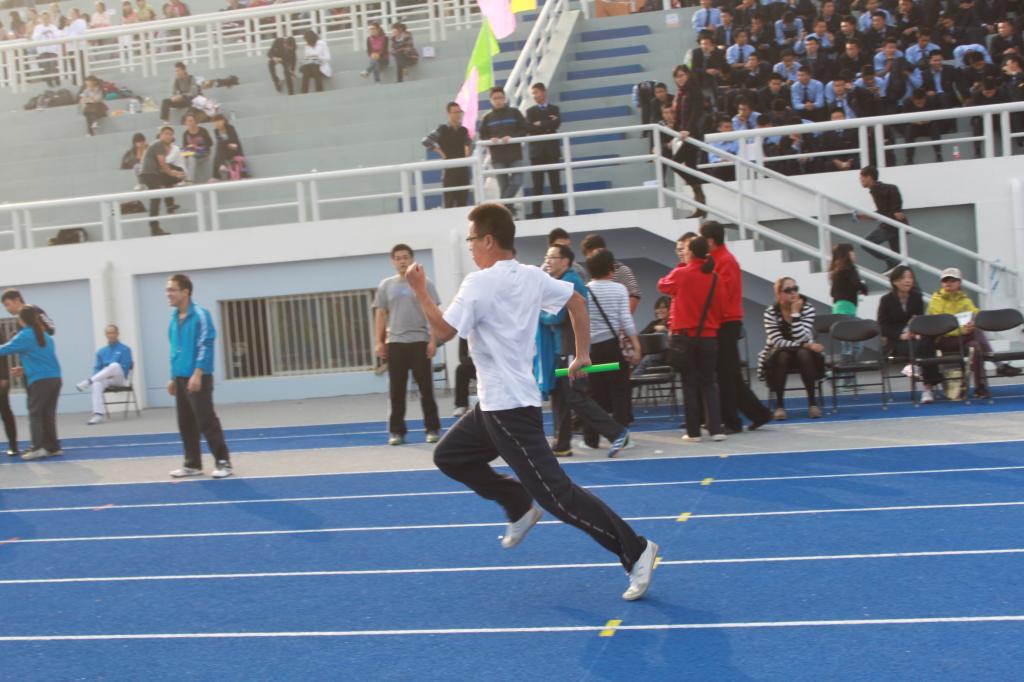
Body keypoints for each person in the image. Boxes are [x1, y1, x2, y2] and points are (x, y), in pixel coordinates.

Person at [404, 202, 659, 601]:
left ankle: (636, 549)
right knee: (450, 457)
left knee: (558, 497)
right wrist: (582, 353)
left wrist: (421, 291)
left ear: (489, 240)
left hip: (509, 409)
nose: (469, 246)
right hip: (493, 406)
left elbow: (445, 331)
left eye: (471, 239)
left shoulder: (479, 283)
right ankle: (518, 505)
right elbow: (577, 300)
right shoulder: (532, 275)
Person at [539, 244, 632, 458]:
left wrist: (538, 313)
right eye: (546, 257)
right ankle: (562, 444)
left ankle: (617, 432)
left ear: (565, 261)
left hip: (572, 349)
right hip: (563, 349)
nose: (547, 262)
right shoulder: (564, 281)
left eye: (552, 257)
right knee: (561, 396)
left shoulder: (570, 282)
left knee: (574, 396)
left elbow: (556, 316)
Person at [700, 221, 774, 432]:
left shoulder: (725, 261)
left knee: (726, 375)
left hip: (725, 322)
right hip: (723, 321)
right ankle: (758, 414)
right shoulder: (719, 259)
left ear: (710, 241)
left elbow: (722, 294)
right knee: (730, 374)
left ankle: (733, 421)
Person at [658, 236, 727, 442]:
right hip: (709, 336)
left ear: (690, 252)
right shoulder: (715, 277)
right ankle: (716, 428)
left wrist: (681, 267)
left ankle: (693, 431)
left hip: (685, 337)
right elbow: (722, 308)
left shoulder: (682, 273)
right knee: (709, 383)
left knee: (689, 384)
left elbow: (662, 285)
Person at [374, 244, 442, 445]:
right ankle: (397, 432)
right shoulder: (386, 285)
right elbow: (380, 314)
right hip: (396, 343)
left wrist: (433, 341)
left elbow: (433, 314)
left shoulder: (425, 283)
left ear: (412, 259)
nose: (402, 261)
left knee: (426, 390)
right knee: (396, 391)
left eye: (405, 257)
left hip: (420, 342)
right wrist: (378, 342)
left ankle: (432, 429)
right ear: (393, 261)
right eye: (398, 258)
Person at [165, 273, 232, 478]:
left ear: (185, 292)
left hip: (198, 377)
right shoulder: (173, 319)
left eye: (172, 290)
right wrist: (173, 377)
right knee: (185, 422)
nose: (168, 294)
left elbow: (206, 344)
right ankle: (192, 464)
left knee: (206, 420)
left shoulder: (201, 315)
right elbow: (174, 350)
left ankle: (223, 462)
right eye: (167, 290)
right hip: (180, 377)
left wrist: (198, 373)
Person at [925, 268, 1019, 400]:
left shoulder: (965, 300)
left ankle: (980, 387)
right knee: (976, 332)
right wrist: (963, 330)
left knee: (975, 346)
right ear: (942, 283)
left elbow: (977, 315)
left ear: (959, 283)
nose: (948, 283)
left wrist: (973, 323)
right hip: (944, 340)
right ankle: (999, 365)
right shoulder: (936, 301)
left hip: (963, 338)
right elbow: (940, 327)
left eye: (952, 280)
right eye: (945, 280)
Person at [581, 249, 640, 450]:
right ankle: (622, 437)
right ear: (610, 269)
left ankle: (590, 439)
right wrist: (636, 345)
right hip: (613, 347)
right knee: (620, 392)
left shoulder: (585, 290)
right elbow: (625, 319)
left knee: (593, 394)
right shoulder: (619, 289)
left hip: (592, 349)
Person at [757, 277, 825, 419]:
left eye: (795, 289)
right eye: (788, 290)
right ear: (778, 294)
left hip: (804, 354)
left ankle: (813, 404)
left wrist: (795, 313)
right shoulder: (770, 312)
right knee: (783, 355)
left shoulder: (807, 308)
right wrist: (806, 345)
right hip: (779, 353)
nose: (793, 293)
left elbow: (801, 337)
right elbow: (778, 342)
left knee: (803, 354)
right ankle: (780, 406)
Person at [0, 306, 61, 461]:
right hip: (55, 378)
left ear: (21, 320)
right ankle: (53, 447)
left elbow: (4, 349)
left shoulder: (24, 335)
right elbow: (41, 358)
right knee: (48, 414)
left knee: (35, 413)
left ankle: (37, 447)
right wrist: (24, 368)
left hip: (40, 381)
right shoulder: (44, 335)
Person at [876, 265, 941, 401]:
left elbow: (920, 320)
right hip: (896, 341)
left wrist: (915, 330)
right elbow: (882, 326)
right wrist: (901, 335)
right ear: (895, 281)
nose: (908, 281)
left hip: (915, 337)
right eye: (904, 278)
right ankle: (927, 387)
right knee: (926, 347)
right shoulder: (886, 300)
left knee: (926, 343)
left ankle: (916, 369)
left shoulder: (917, 297)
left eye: (910, 277)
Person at [479, 87, 527, 216]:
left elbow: (524, 129)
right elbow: (482, 136)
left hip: (515, 154)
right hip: (497, 157)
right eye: (495, 98)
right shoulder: (487, 118)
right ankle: (508, 212)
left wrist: (512, 137)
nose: (498, 101)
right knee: (504, 186)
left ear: (505, 98)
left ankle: (500, 207)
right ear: (490, 100)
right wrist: (490, 140)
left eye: (500, 97)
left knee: (517, 181)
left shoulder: (514, 113)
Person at [669, 65, 708, 218]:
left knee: (675, 163)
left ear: (688, 75)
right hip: (685, 135)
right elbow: (678, 118)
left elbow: (696, 112)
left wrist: (689, 130)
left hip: (693, 134)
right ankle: (700, 205)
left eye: (682, 75)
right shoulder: (680, 93)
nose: (679, 79)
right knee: (690, 167)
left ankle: (699, 194)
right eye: (677, 76)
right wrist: (672, 135)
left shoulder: (694, 90)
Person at [76, 324, 133, 425]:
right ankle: (98, 414)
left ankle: (87, 382)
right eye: (108, 333)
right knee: (96, 384)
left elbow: (125, 368)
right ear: (106, 335)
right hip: (106, 379)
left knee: (114, 365)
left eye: (112, 333)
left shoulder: (125, 349)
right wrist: (104, 374)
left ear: (117, 333)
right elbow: (97, 369)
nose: (111, 335)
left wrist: (108, 371)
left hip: (119, 379)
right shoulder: (101, 352)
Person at [829, 243, 868, 385]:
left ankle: (846, 379)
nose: (854, 254)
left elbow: (832, 292)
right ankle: (838, 375)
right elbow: (858, 284)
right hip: (847, 310)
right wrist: (864, 288)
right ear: (846, 254)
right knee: (854, 346)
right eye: (852, 251)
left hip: (838, 309)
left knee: (849, 346)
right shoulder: (850, 269)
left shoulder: (836, 272)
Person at [525, 82, 565, 219]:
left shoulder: (554, 109)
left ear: (544, 92)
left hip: (552, 151)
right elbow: (529, 128)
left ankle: (559, 213)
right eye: (533, 93)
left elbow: (556, 124)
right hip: (537, 153)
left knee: (555, 184)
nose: (534, 96)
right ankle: (536, 214)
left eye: (536, 92)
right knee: (537, 185)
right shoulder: (530, 111)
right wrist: (547, 125)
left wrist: (540, 124)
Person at [422, 102, 472, 208]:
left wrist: (467, 150)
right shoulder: (442, 129)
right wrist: (440, 152)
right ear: (449, 114)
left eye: (459, 112)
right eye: (455, 112)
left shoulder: (464, 130)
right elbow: (426, 141)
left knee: (463, 201)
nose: (458, 115)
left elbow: (468, 143)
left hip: (463, 169)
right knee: (449, 201)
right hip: (449, 170)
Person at [855, 165, 906, 271]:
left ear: (869, 177)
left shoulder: (876, 190)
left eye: (862, 177)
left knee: (867, 244)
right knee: (899, 259)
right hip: (895, 225)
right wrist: (897, 210)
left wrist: (862, 216)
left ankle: (893, 262)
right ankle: (896, 265)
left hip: (890, 226)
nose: (860, 180)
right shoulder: (879, 189)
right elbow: (884, 211)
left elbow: (882, 213)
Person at [139, 126, 185, 236]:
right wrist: (172, 173)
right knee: (155, 200)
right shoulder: (159, 145)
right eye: (166, 133)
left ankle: (156, 225)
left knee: (156, 198)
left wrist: (173, 172)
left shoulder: (158, 146)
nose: (168, 136)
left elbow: (160, 166)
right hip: (150, 174)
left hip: (151, 174)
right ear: (160, 135)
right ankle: (154, 228)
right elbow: (162, 163)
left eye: (170, 134)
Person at [580, 234, 642, 313]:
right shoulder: (590, 272)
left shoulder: (621, 269)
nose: (592, 260)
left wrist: (622, 316)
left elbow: (634, 295)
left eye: (593, 255)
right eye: (589, 257)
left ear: (603, 250)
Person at [211, 113, 246, 180]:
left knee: (219, 145)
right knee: (218, 150)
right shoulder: (216, 131)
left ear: (223, 121)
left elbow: (233, 139)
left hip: (235, 150)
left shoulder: (230, 128)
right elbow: (221, 141)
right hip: (225, 151)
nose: (217, 123)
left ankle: (217, 175)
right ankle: (220, 168)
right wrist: (227, 144)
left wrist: (226, 143)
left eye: (218, 121)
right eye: (215, 122)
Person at [180, 113, 214, 183]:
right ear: (185, 123)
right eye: (188, 121)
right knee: (185, 157)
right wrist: (188, 148)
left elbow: (210, 143)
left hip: (204, 153)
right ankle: (187, 180)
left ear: (195, 121)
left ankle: (189, 180)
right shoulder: (185, 134)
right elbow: (184, 149)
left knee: (191, 158)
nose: (190, 123)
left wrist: (197, 147)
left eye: (192, 120)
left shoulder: (203, 131)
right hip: (193, 154)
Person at [32, 11, 61, 87]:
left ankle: (57, 80)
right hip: (43, 50)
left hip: (52, 50)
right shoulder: (38, 28)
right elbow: (34, 38)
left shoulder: (53, 27)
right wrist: (42, 31)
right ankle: (49, 82)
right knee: (46, 67)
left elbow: (58, 36)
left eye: (47, 18)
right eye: (44, 18)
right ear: (41, 19)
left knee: (53, 66)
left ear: (49, 18)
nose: (45, 20)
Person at [452, 337, 475, 417]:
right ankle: (462, 405)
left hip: (494, 365)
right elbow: (462, 357)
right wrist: (476, 361)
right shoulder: (465, 333)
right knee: (461, 369)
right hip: (477, 364)